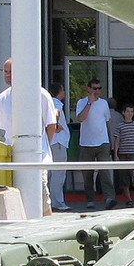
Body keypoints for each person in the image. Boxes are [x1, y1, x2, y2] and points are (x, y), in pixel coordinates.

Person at [0, 58, 57, 216]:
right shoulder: (2, 98)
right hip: (12, 160)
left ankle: (47, 228)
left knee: (42, 200)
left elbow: (51, 125)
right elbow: (3, 131)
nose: (7, 75)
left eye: (11, 72)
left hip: (37, 159)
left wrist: (42, 147)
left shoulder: (41, 94)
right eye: (5, 72)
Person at [75, 79, 116, 209]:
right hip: (86, 143)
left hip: (103, 142)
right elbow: (80, 118)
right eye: (94, 88)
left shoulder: (104, 103)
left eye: (99, 88)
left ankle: (109, 198)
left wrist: (111, 141)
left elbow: (107, 122)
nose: (97, 91)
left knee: (105, 172)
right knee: (87, 173)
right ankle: (90, 199)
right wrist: (89, 103)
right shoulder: (81, 102)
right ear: (89, 89)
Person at [113, 104, 134, 206]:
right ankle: (129, 199)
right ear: (123, 113)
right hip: (123, 154)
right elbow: (117, 140)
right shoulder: (120, 126)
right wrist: (116, 154)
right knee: (124, 177)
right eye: (128, 111)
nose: (130, 114)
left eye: (131, 111)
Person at [47, 82, 71, 211]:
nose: (64, 93)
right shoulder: (56, 103)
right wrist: (56, 126)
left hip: (53, 142)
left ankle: (50, 201)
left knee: (51, 174)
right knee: (59, 173)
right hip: (58, 142)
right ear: (58, 92)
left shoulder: (48, 102)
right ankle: (57, 202)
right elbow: (56, 113)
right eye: (63, 90)